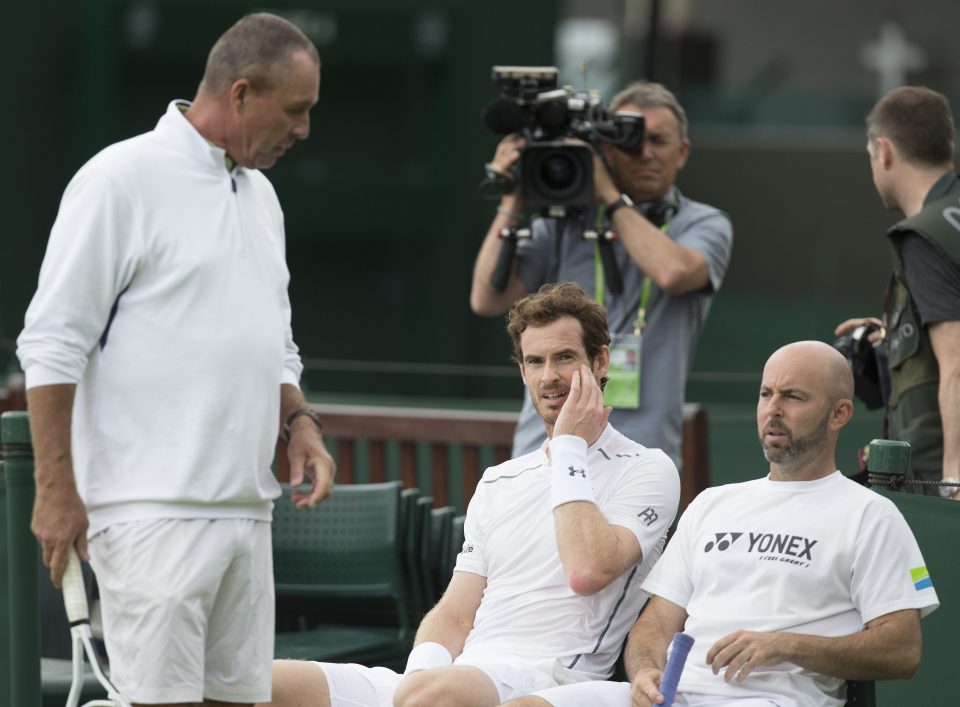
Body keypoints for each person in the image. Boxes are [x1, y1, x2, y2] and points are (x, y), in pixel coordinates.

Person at [16, 13, 335, 707]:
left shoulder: (264, 196)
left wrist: (299, 419)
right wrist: (55, 490)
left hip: (248, 513)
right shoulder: (118, 178)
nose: (304, 130)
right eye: (297, 111)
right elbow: (50, 342)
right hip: (148, 515)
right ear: (242, 93)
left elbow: (276, 340)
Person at [261, 282, 680, 707]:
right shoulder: (499, 480)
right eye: (534, 361)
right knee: (256, 684)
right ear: (522, 372)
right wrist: (418, 677)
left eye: (565, 358)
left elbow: (587, 570)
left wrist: (570, 446)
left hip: (551, 678)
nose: (549, 376)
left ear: (600, 361)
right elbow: (455, 613)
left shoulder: (648, 469)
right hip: (454, 680)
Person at [501, 340, 939, 707]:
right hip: (676, 694)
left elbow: (903, 650)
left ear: (840, 414)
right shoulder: (714, 502)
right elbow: (655, 624)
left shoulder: (870, 515)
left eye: (794, 397)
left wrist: (785, 645)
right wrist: (647, 673)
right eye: (766, 394)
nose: (773, 409)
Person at [470, 81, 733, 470]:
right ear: (605, 149)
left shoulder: (704, 223)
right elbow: (486, 299)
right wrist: (514, 195)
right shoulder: (565, 219)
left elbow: (673, 272)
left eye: (658, 141)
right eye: (630, 141)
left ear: (682, 153)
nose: (644, 153)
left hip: (640, 457)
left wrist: (609, 196)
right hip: (544, 449)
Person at [835, 85, 960, 501]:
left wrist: (954, 481)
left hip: (935, 480)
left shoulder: (925, 236)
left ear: (884, 152)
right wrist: (893, 333)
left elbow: (956, 361)